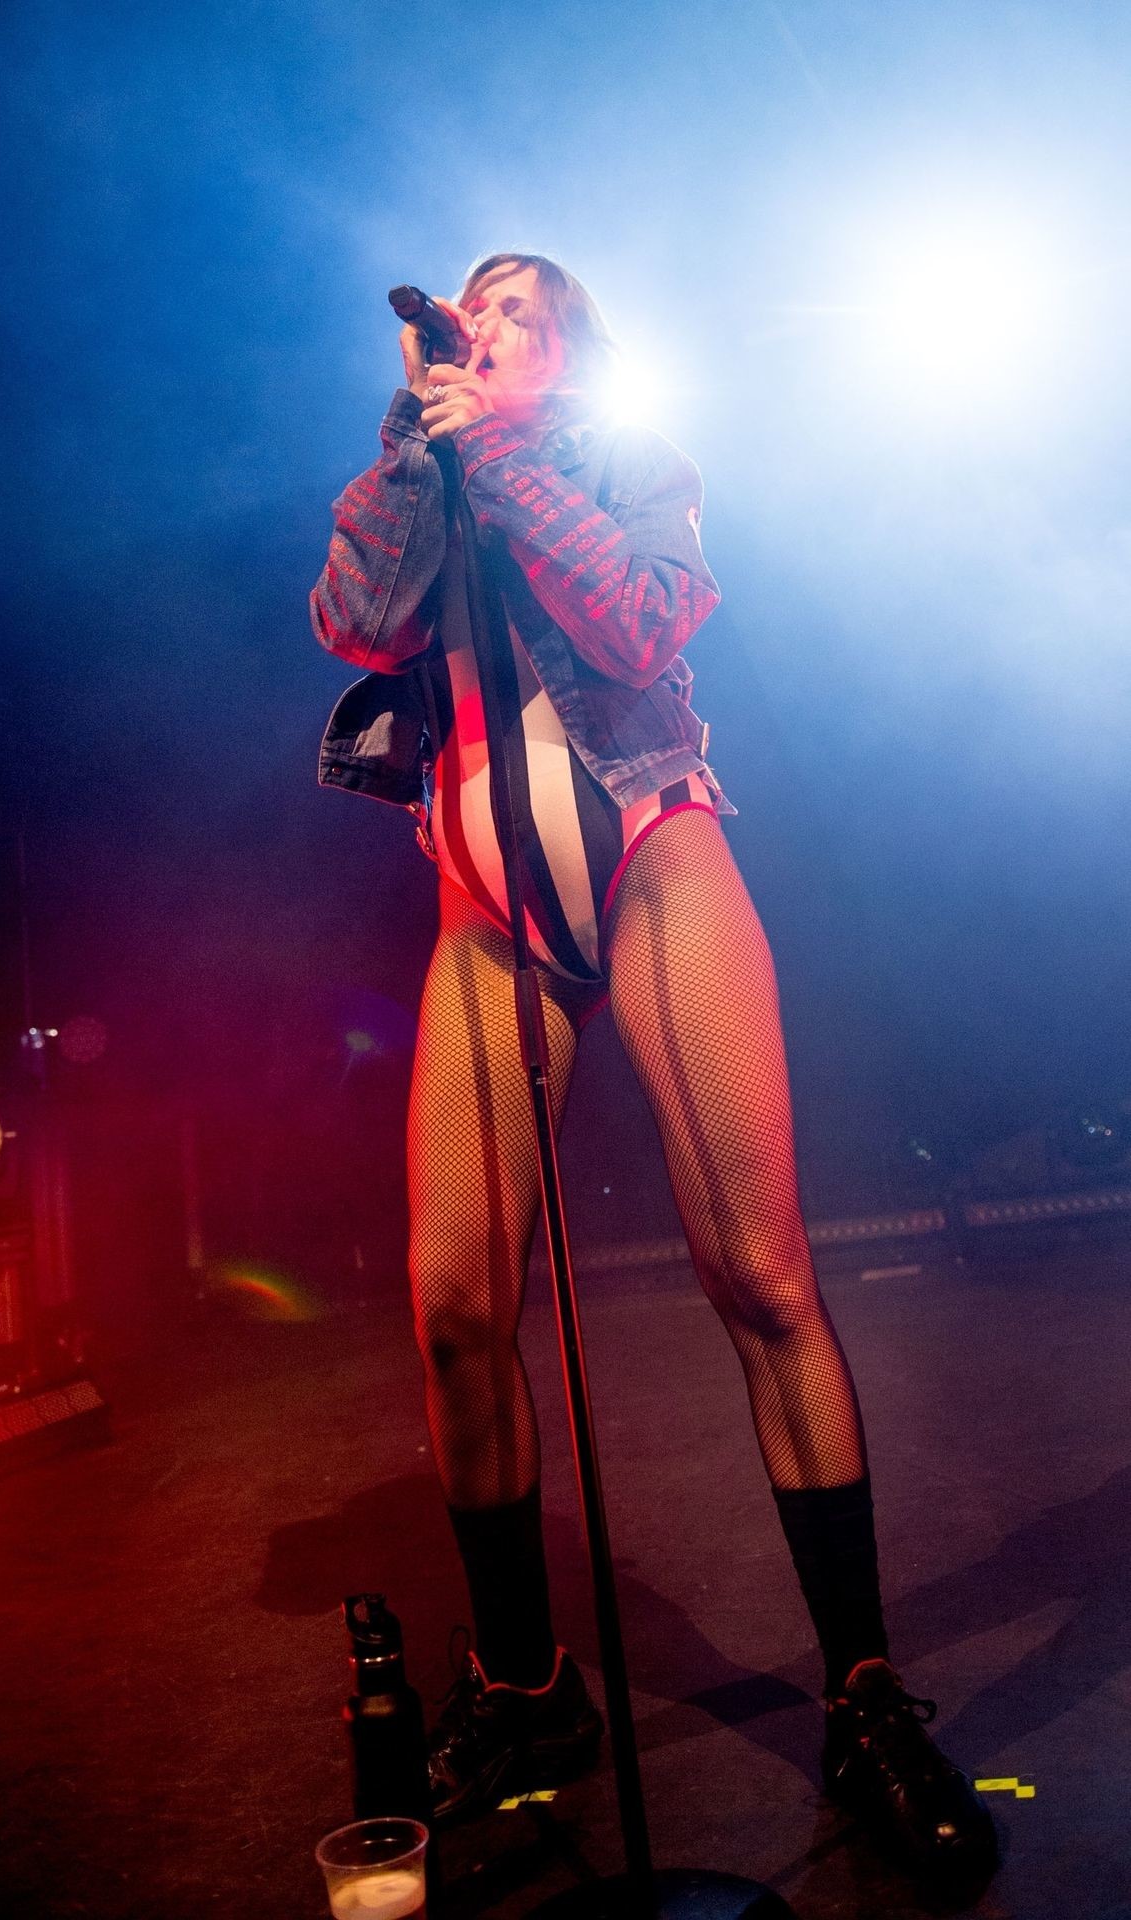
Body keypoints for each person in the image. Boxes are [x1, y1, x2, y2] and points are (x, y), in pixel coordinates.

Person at [309, 252, 996, 1880]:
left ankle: (864, 1693)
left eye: (517, 308)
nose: (479, 322)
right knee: (455, 1307)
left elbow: (633, 621)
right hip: (481, 909)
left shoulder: (623, 457)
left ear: (571, 348)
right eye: (468, 306)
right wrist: (420, 449)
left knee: (757, 1276)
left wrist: (503, 452)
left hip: (649, 855)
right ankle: (527, 1687)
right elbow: (354, 620)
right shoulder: (420, 472)